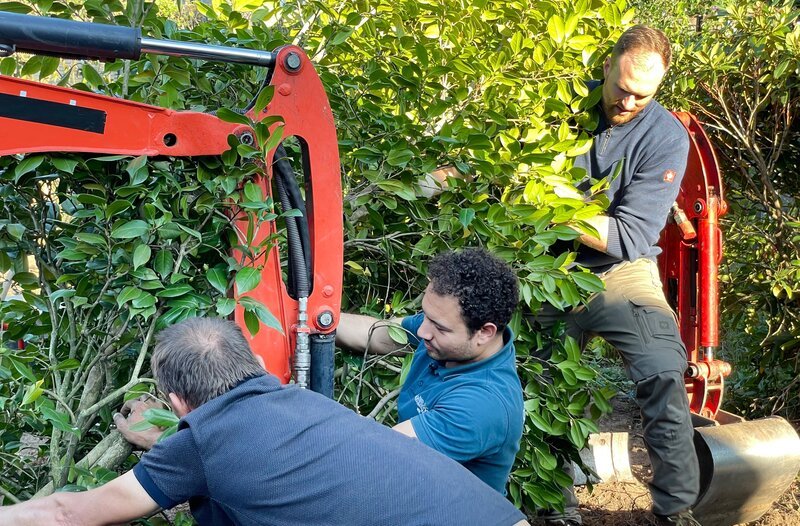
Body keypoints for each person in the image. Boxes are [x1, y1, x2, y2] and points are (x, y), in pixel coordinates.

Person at [0, 317, 530, 526]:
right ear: (251, 364)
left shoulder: (201, 443)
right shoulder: (304, 404)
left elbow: (71, 512)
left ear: (177, 401)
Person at [528, 26, 701, 526]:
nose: (628, 100)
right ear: (607, 65)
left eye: (642, 95)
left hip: (620, 270)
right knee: (540, 381)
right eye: (621, 87)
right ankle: (552, 507)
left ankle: (676, 509)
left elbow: (626, 235)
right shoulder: (556, 104)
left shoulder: (666, 137)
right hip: (545, 265)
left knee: (664, 370)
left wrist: (546, 206)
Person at [336, 248, 524, 495]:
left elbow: (379, 452)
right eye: (425, 316)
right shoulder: (445, 337)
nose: (423, 331)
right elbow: (378, 335)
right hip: (416, 489)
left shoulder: (483, 404)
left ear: (484, 332)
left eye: (439, 327)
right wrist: (311, 319)